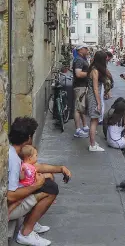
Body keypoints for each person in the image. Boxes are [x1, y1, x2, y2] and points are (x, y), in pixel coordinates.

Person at [8, 117, 71, 246]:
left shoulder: (16, 151)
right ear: (28, 137)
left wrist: (60, 169)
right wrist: (37, 185)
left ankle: (31, 221)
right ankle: (25, 233)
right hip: (10, 208)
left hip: (19, 194)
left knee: (48, 177)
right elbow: (10, 196)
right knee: (51, 189)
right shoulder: (14, 160)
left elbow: (35, 167)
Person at [87, 51, 109, 152]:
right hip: (93, 98)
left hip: (92, 97)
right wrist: (99, 103)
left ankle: (93, 142)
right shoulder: (95, 71)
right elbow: (96, 88)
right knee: (94, 121)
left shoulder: (93, 68)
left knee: (94, 121)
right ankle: (92, 145)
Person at [72, 44, 90, 138]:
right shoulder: (79, 60)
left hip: (83, 86)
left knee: (81, 106)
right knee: (78, 108)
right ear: (80, 50)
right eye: (86, 48)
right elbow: (78, 74)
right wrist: (90, 74)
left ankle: (85, 126)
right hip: (79, 86)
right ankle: (78, 130)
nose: (87, 50)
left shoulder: (82, 59)